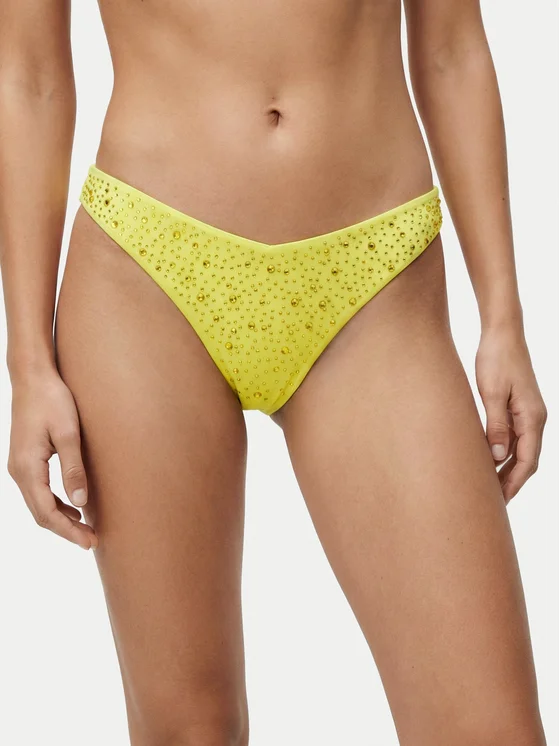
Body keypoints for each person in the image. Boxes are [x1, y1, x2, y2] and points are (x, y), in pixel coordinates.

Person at [0, 1, 548, 744]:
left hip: (375, 283)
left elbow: (452, 49)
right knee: (190, 731)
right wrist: (28, 362)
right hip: (147, 272)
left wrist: (503, 318)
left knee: (489, 729)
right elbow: (28, 73)